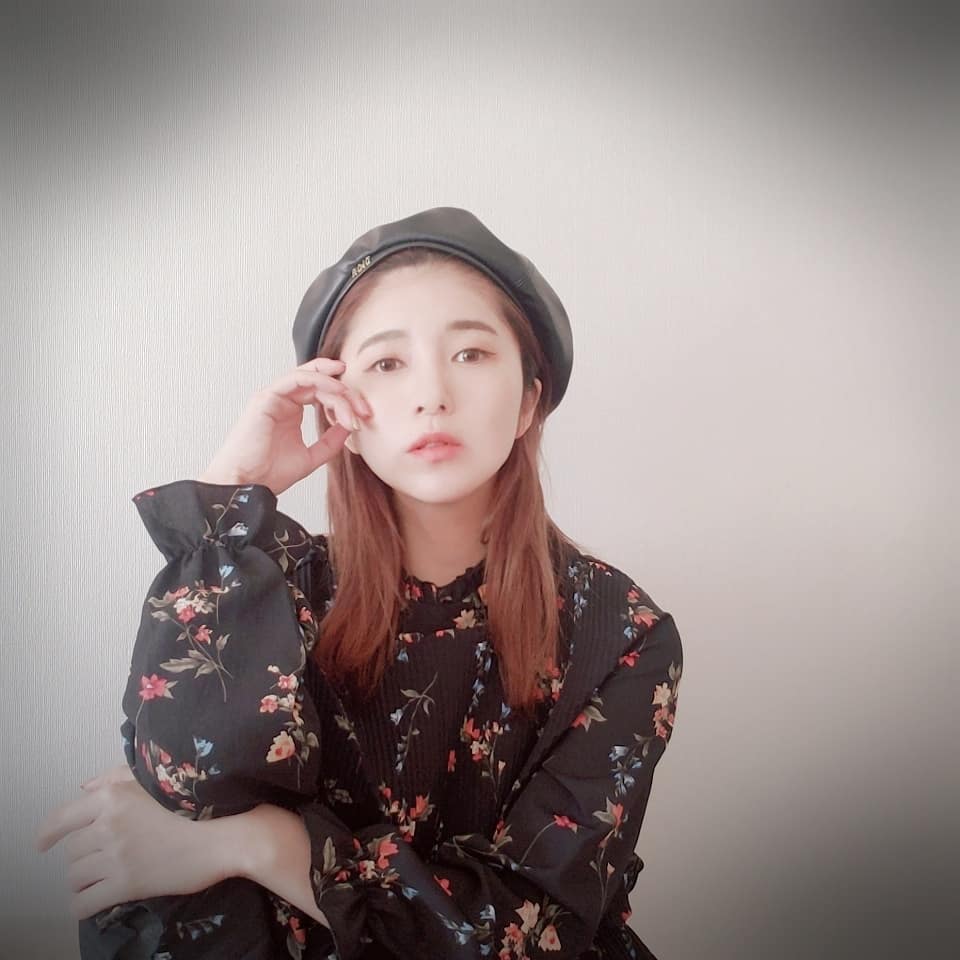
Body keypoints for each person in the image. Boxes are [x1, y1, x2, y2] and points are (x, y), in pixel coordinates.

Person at [37, 207, 684, 959]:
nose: (432, 393)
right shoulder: (271, 585)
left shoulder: (621, 630)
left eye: (471, 353)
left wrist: (265, 846)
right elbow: (188, 788)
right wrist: (229, 499)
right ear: (336, 407)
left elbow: (533, 927)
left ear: (528, 402)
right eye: (386, 363)